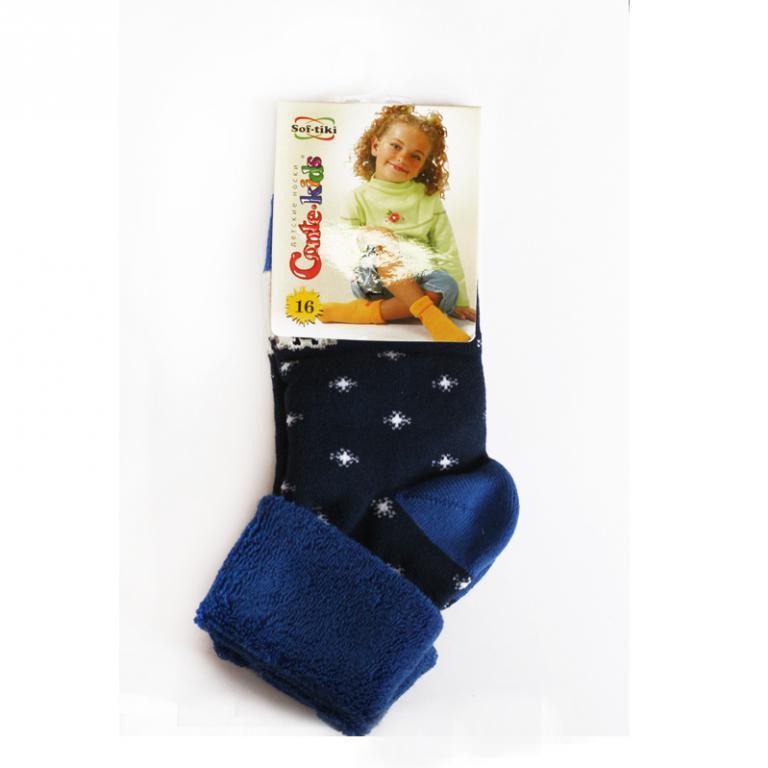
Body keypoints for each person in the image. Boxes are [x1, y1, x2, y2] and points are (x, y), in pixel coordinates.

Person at [320, 105, 476, 342]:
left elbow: (447, 249)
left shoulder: (428, 199)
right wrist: (369, 237)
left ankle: (365, 313)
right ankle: (430, 317)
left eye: (416, 156)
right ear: (375, 146)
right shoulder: (357, 198)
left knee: (447, 286)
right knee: (381, 239)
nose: (403, 157)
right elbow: (344, 245)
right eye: (396, 146)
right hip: (373, 279)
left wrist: (461, 301)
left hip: (419, 279)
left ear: (423, 166)